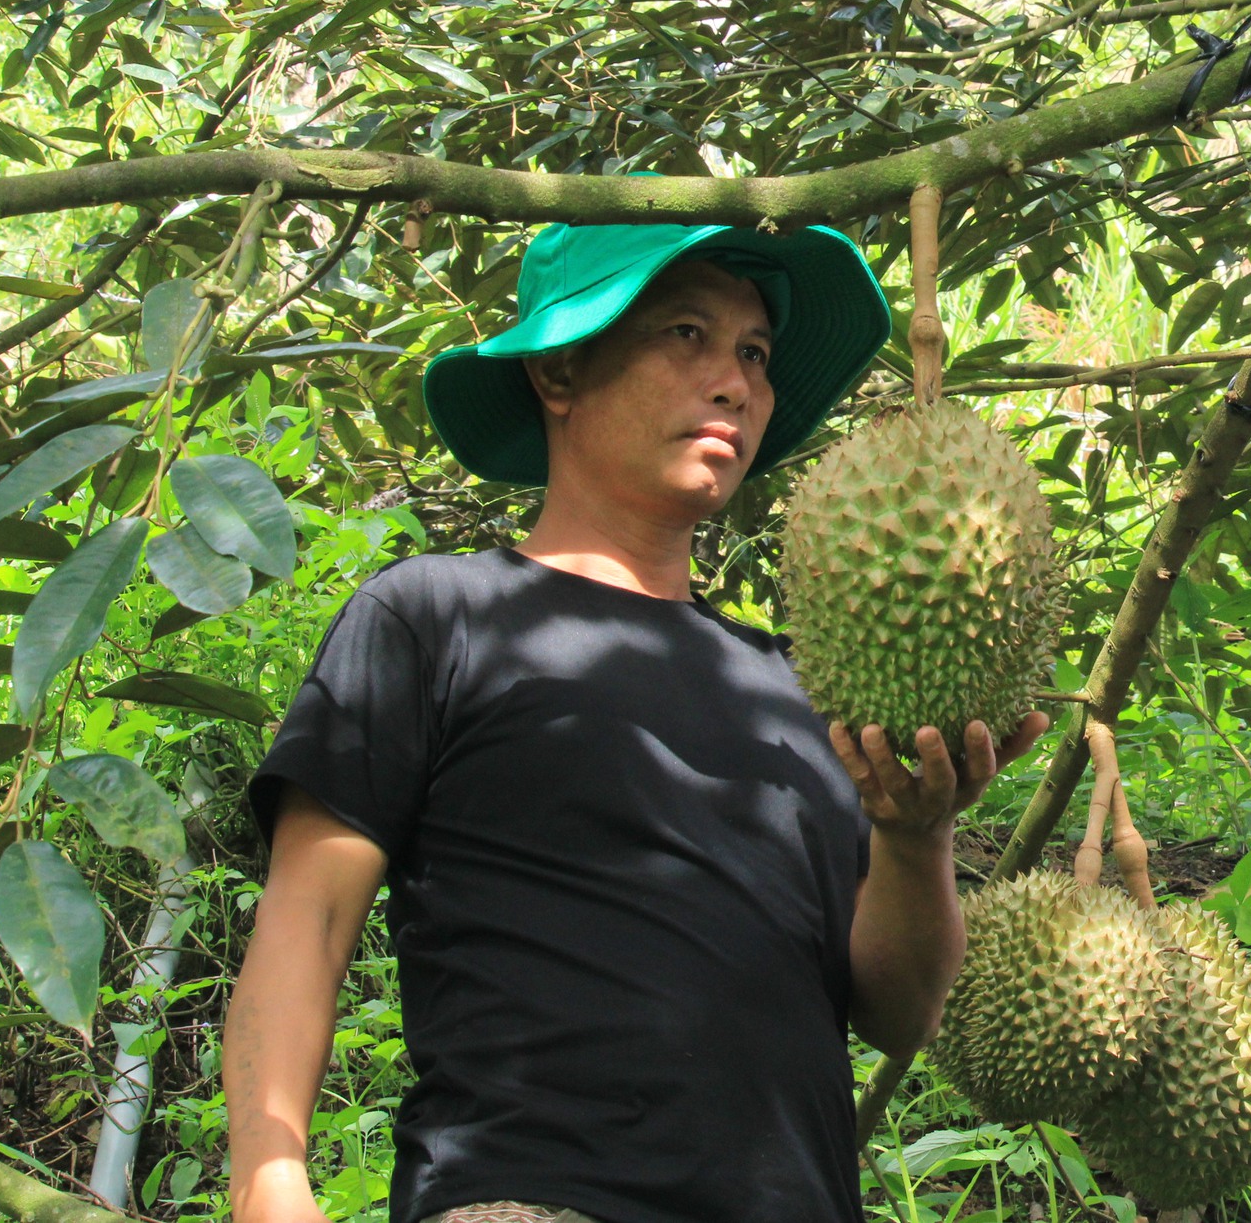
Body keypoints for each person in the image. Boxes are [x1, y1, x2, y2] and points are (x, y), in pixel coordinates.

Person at [221, 221, 1047, 1223]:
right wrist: (269, 1181)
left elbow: (898, 1012)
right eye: (687, 334)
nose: (735, 381)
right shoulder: (435, 616)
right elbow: (307, 918)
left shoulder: (799, 683)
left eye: (754, 352)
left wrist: (915, 835)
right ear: (561, 372)